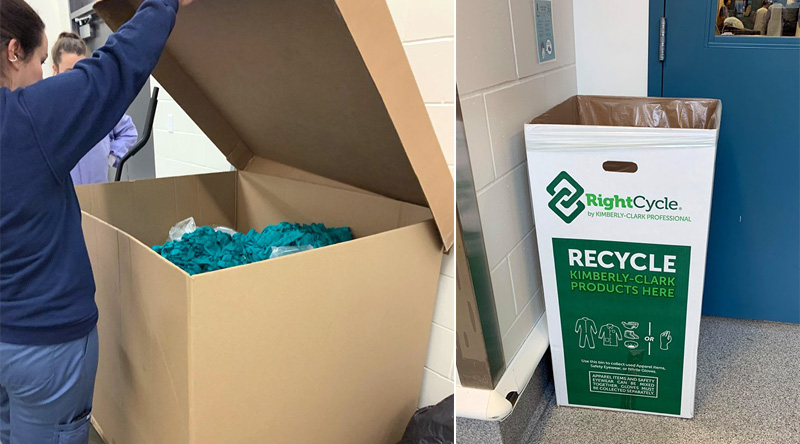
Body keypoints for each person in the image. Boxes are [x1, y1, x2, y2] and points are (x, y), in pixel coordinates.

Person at [0, 0, 194, 442]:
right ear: (14, 52)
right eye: (38, 59)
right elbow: (113, 70)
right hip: (44, 346)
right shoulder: (23, 119)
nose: (40, 79)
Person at [51, 32, 138, 185]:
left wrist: (111, 157)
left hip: (99, 193)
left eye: (81, 71)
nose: (76, 79)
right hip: (63, 200)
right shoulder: (47, 110)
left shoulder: (100, 103)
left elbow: (128, 131)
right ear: (55, 70)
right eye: (69, 72)